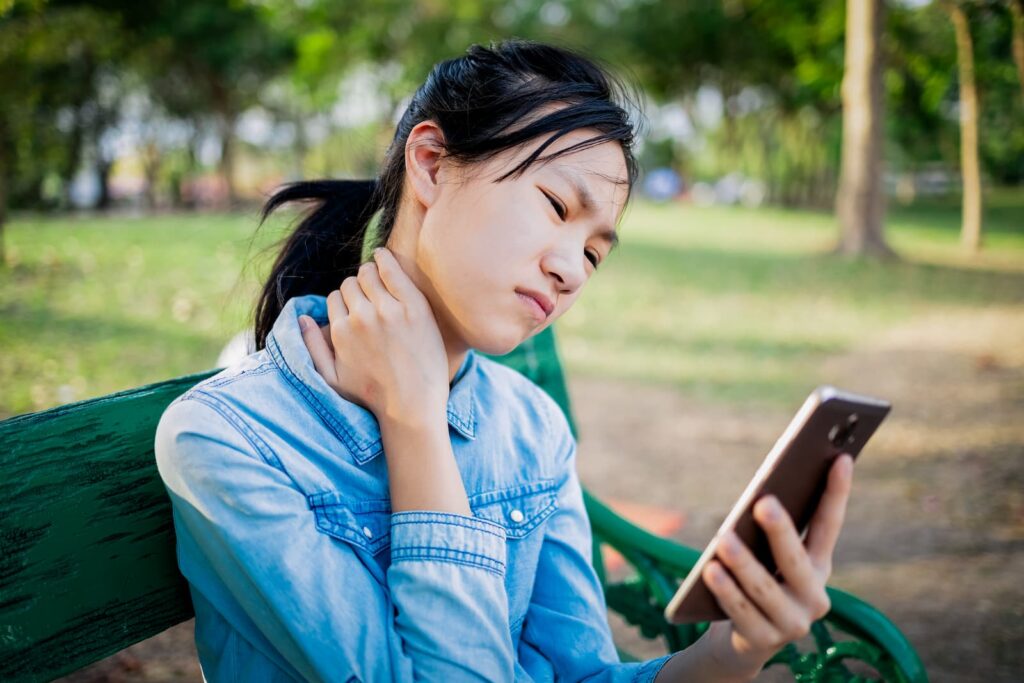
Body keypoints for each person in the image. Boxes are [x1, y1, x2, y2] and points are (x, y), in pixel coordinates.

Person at [155, 39, 853, 683]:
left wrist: (735, 647)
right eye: (555, 205)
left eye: (592, 252)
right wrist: (414, 419)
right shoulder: (228, 440)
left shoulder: (530, 427)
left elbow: (581, 674)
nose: (572, 272)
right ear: (430, 163)